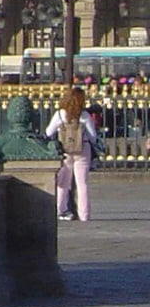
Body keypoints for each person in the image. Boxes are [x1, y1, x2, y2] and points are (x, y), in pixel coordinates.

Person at [47, 85, 102, 222]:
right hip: (82, 149)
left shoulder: (60, 114)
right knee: (82, 183)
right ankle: (84, 214)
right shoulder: (84, 115)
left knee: (63, 183)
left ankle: (60, 210)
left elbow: (48, 132)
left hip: (65, 150)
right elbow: (93, 136)